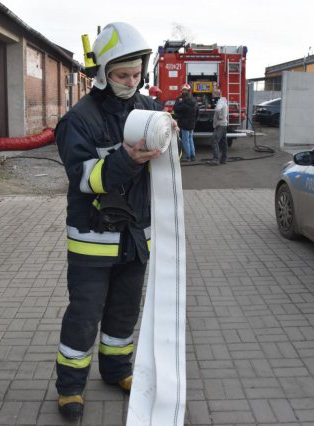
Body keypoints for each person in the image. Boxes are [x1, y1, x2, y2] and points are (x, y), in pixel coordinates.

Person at [53, 22, 164, 421]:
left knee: (124, 311)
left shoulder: (150, 109)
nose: (130, 82)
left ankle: (117, 371)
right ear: (102, 73)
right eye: (121, 75)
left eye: (136, 74)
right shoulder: (78, 120)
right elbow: (84, 179)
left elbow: (168, 169)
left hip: (135, 238)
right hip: (93, 239)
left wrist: (171, 140)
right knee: (84, 315)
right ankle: (70, 389)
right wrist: (126, 159)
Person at [173, 83, 198, 161]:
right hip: (192, 123)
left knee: (185, 140)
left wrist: (180, 102)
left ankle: (188, 157)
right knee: (190, 139)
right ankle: (192, 156)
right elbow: (197, 112)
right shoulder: (194, 100)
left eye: (184, 90)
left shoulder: (182, 101)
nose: (183, 91)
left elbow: (176, 108)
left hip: (184, 123)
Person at [209, 96, 229, 165]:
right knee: (223, 142)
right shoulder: (224, 102)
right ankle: (224, 159)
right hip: (224, 125)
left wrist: (219, 116)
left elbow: (217, 109)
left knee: (214, 141)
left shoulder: (220, 102)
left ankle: (215, 159)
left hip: (220, 125)